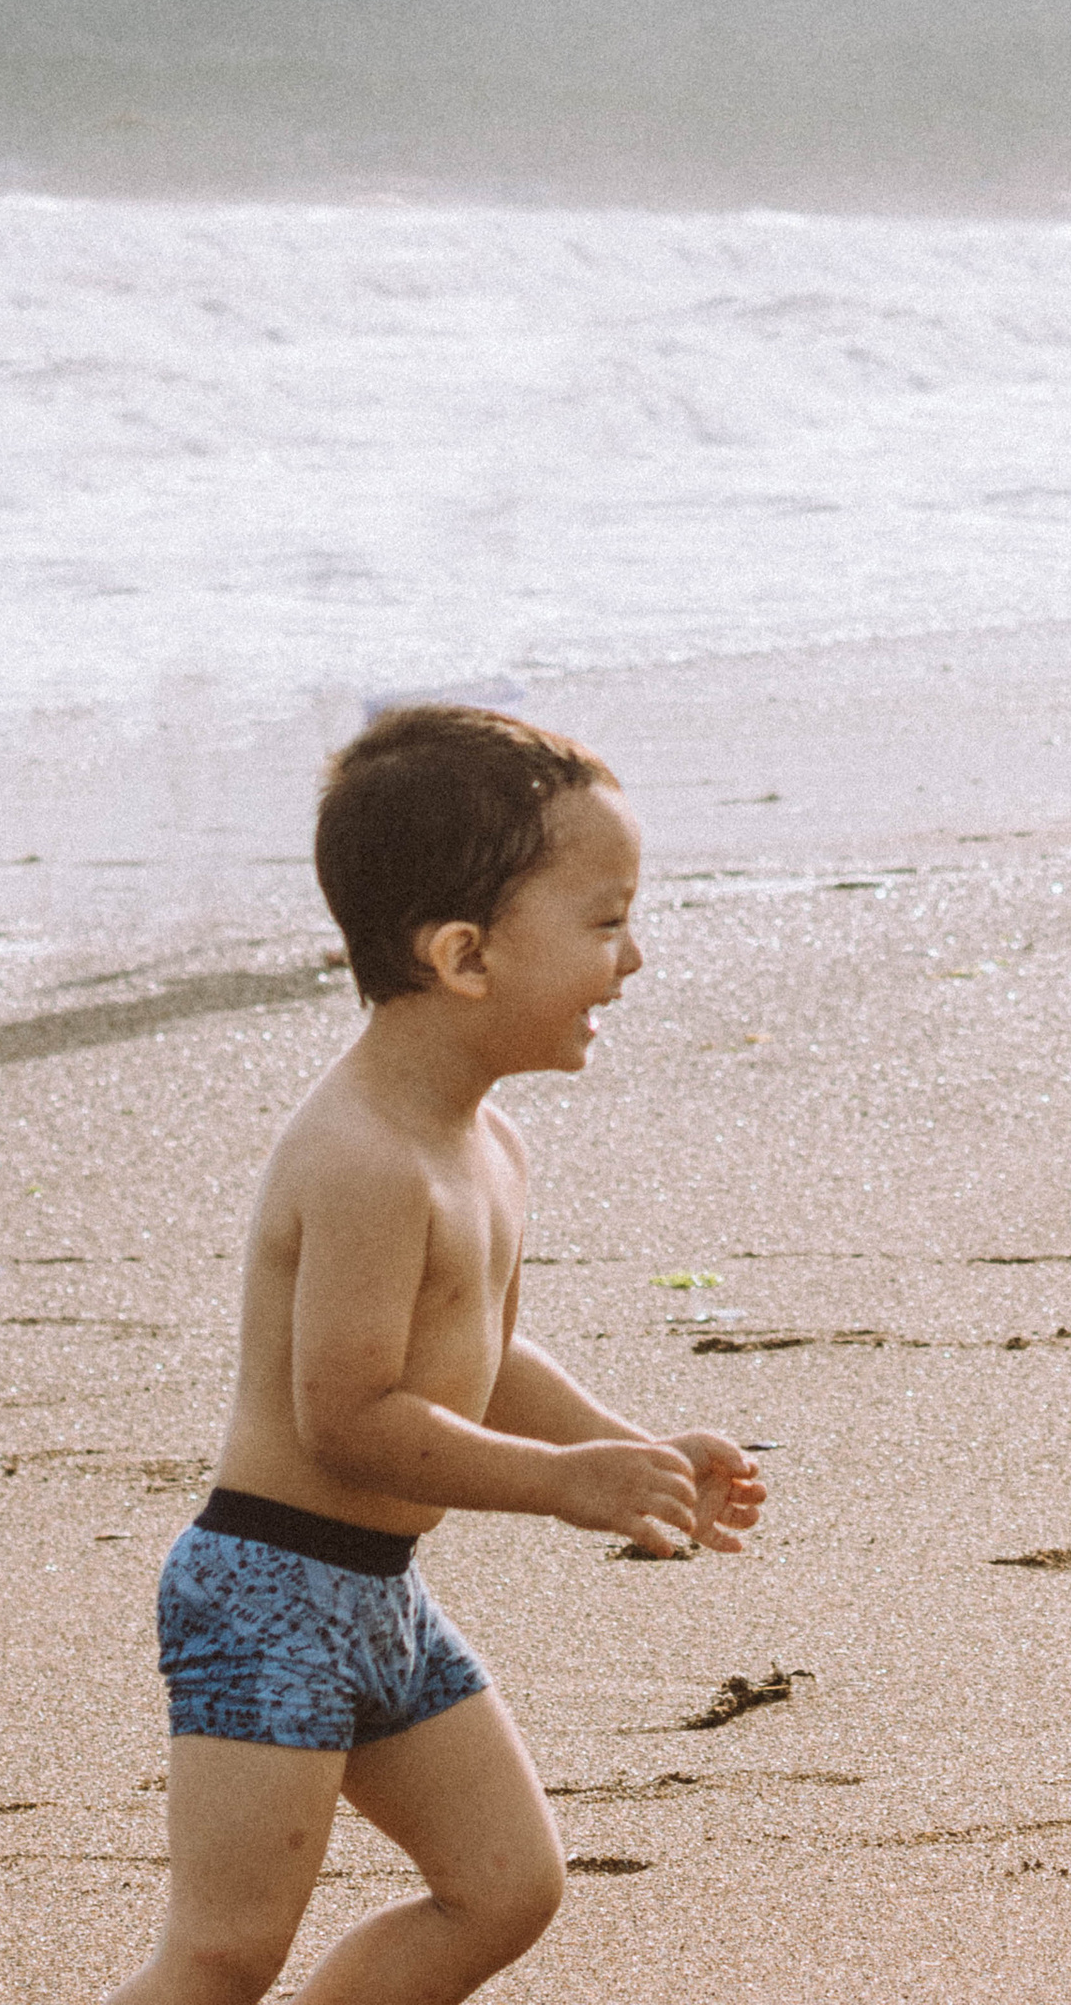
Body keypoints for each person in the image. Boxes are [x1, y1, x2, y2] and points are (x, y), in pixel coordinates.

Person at [103, 701, 765, 2005]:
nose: (633, 959)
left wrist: (621, 1450)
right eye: (605, 920)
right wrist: (559, 1488)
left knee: (504, 1889)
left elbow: (483, 1358)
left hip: (381, 1596)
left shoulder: (489, 1146)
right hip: (269, 1594)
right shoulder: (362, 1156)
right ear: (465, 957)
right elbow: (351, 1414)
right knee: (225, 1950)